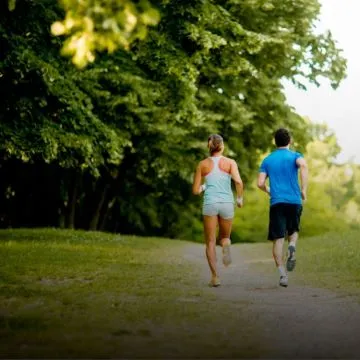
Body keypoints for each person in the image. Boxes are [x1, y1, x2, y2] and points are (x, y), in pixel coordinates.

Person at [257, 128, 308, 287]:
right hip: (294, 201)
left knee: (278, 239)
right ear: (290, 141)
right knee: (294, 231)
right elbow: (303, 166)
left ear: (275, 142)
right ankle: (292, 246)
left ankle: (282, 275)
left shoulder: (268, 160)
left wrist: (268, 190)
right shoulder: (295, 155)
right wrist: (304, 189)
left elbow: (259, 183)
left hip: (277, 202)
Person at [192, 134, 244, 287]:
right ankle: (226, 245)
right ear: (222, 146)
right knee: (225, 237)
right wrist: (240, 199)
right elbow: (239, 182)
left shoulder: (202, 164)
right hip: (227, 203)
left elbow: (195, 190)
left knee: (210, 242)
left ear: (209, 147)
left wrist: (204, 186)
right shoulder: (230, 162)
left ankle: (215, 277)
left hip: (210, 204)